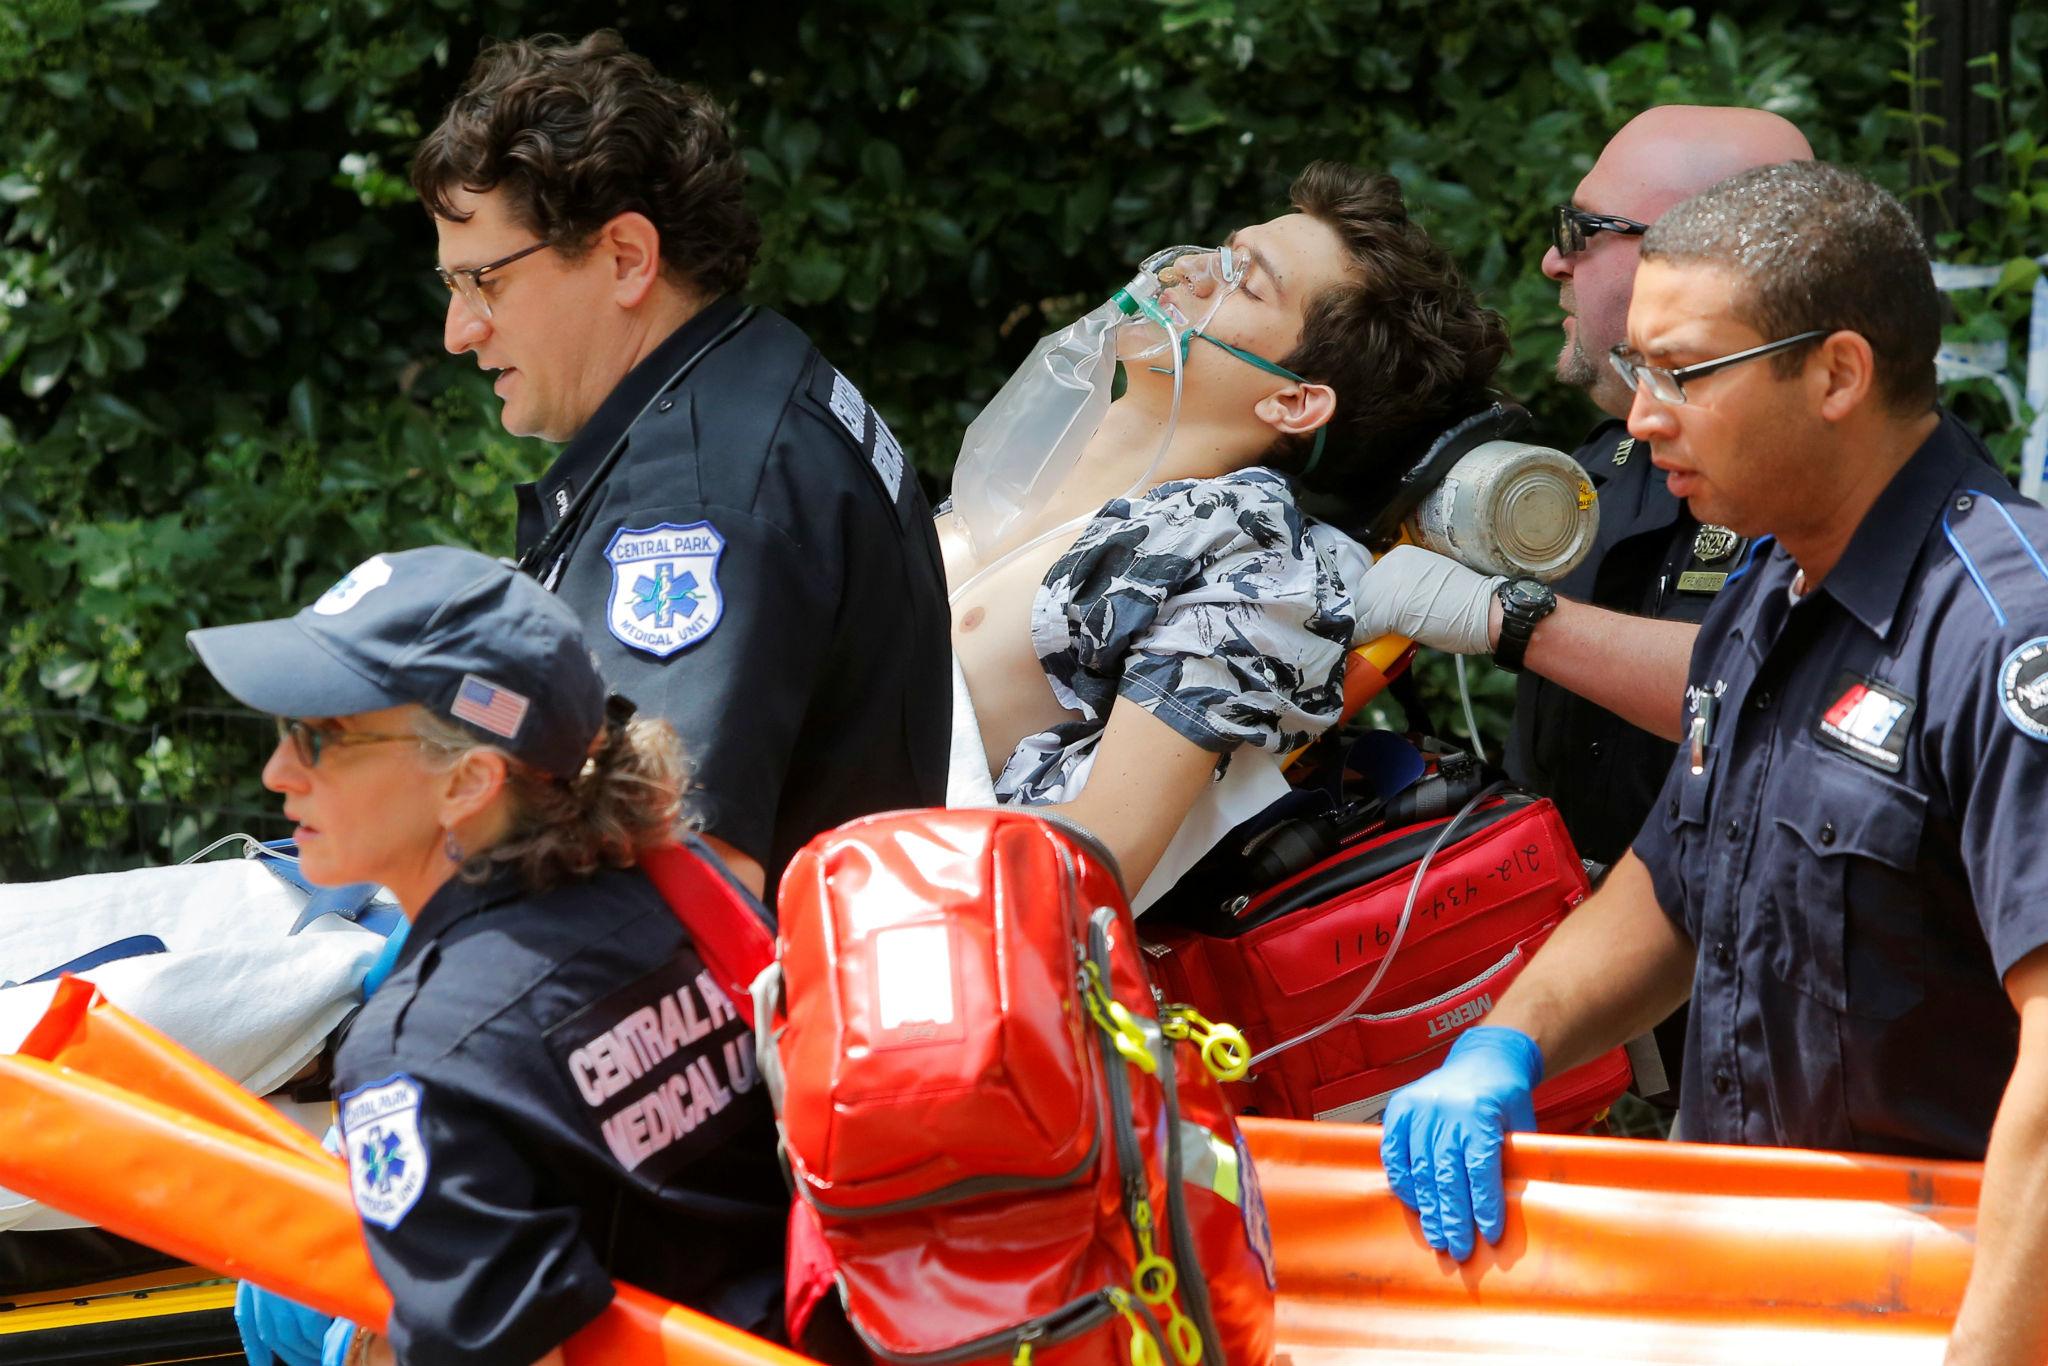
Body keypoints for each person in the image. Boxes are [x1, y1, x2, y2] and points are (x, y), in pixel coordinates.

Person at [1378, 162, 2048, 1365]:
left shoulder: (2001, 631)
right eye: (1637, 369)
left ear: (1836, 372)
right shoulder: (1766, 586)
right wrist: (1506, 1039)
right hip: (1747, 1271)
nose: (1639, 416)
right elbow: (1680, 870)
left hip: (1945, 1300)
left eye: (1682, 373)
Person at [198, 547, 785, 1366]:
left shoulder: (421, 1054)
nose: (277, 773)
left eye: (320, 736)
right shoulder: (669, 891)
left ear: (468, 781)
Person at [417, 32, 950, 902]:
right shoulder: (755, 374)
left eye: (485, 282)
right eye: (450, 286)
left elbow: (685, 877)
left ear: (626, 257)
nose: (460, 330)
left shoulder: (699, 499)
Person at [1352, 106, 1811, 1097]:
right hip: (1589, 1011)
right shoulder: (1593, 470)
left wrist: (1513, 621)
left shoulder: (1845, 482)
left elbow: (1784, 689)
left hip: (1769, 1036)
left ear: (1700, 249)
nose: (1552, 265)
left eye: (1579, 231)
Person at [943, 163, 1508, 895]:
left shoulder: (1241, 552)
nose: (1185, 273)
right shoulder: (1022, 477)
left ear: (1295, 403)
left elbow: (1102, 857)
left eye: (1245, 282)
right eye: (1223, 250)